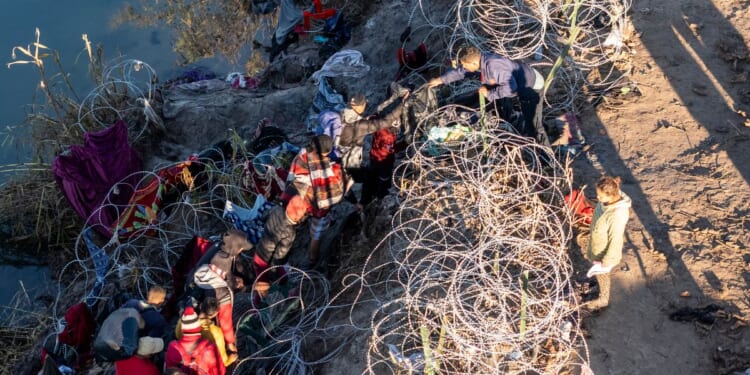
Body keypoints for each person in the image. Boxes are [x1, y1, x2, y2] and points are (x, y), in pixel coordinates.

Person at [428, 46, 548, 144]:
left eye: (465, 65)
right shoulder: (480, 62)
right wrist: (440, 80)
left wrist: (489, 93)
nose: (464, 68)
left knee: (534, 126)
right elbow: (461, 72)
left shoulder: (494, 66)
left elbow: (511, 88)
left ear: (474, 63)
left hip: (531, 87)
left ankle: (547, 159)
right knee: (497, 94)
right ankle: (509, 119)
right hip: (519, 82)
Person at [282, 134, 352, 268]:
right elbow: (338, 191)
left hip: (297, 203)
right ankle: (312, 260)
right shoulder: (331, 170)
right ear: (328, 151)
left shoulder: (302, 156)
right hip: (318, 209)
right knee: (317, 234)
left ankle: (288, 253)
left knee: (289, 230)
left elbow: (292, 177)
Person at [192, 229, 253, 357]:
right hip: (216, 334)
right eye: (241, 248)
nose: (242, 250)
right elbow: (225, 321)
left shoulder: (218, 255)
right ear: (235, 248)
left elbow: (227, 276)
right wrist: (231, 343)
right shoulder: (222, 292)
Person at [584, 175, 631, 310]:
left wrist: (606, 261)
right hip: (598, 245)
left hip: (604, 252)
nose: (597, 198)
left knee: (603, 275)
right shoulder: (607, 202)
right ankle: (597, 285)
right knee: (599, 274)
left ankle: (603, 299)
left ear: (611, 196)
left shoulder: (617, 215)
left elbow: (615, 240)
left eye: (600, 196)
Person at [165, 306, 226, 375]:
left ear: (183, 329)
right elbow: (221, 371)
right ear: (198, 327)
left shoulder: (173, 348)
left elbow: (169, 371)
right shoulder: (210, 348)